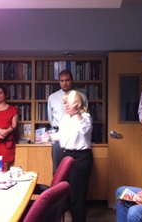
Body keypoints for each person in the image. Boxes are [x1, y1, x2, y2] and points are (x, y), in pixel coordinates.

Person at [44, 90, 93, 222]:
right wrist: (50, 137)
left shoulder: (86, 117)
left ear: (77, 104)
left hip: (81, 158)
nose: (65, 106)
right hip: (66, 156)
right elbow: (62, 135)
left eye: (68, 103)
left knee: (78, 195)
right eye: (64, 103)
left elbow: (84, 129)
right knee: (68, 194)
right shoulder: (65, 118)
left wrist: (77, 113)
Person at [47, 69, 88, 174]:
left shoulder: (81, 97)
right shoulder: (52, 97)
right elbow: (51, 119)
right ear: (59, 82)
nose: (64, 83)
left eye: (67, 80)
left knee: (73, 170)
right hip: (58, 135)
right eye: (62, 80)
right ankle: (58, 189)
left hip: (75, 136)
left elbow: (84, 116)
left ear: (72, 81)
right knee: (57, 170)